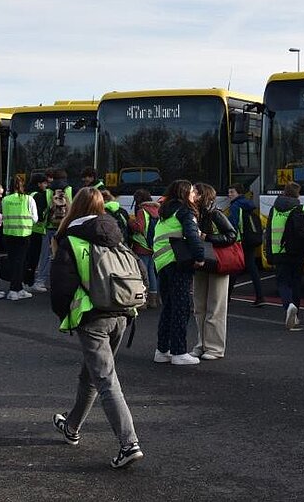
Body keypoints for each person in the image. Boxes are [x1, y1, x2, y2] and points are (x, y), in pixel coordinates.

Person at [49, 186, 144, 469]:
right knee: (90, 374)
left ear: (75, 207)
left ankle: (129, 443)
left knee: (105, 379)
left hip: (93, 317)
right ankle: (72, 427)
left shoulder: (71, 239)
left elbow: (61, 289)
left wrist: (66, 315)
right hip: (123, 313)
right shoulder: (115, 234)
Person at [152, 179, 205, 365]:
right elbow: (191, 234)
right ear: (184, 193)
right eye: (191, 191)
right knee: (181, 308)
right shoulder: (185, 211)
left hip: (161, 263)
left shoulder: (164, 212)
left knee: (168, 308)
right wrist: (200, 256)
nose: (194, 194)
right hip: (177, 262)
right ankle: (179, 352)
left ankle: (162, 350)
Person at [191, 183, 237, 360]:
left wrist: (207, 237)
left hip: (216, 263)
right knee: (200, 307)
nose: (192, 194)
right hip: (204, 261)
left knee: (215, 306)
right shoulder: (197, 213)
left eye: (195, 192)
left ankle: (215, 348)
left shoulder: (214, 213)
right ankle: (202, 344)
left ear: (202, 195)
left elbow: (231, 235)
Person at [264, 181, 304, 330]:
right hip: (297, 253)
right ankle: (295, 315)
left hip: (279, 252)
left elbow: (268, 233)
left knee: (283, 282)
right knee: (296, 282)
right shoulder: (302, 208)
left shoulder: (274, 209)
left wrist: (268, 253)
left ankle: (288, 305)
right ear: (297, 194)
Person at [0, 175, 39, 300]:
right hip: (23, 234)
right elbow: (35, 218)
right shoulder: (28, 199)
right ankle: (14, 289)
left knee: (13, 261)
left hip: (9, 233)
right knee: (20, 262)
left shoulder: (5, 199)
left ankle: (18, 288)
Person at [34, 169, 72, 292]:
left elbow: (43, 211)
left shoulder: (47, 192)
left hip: (50, 227)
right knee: (65, 256)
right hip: (65, 227)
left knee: (45, 255)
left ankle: (41, 281)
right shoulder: (71, 189)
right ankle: (62, 281)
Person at [227, 182, 264, 306]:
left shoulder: (236, 205)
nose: (229, 194)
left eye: (232, 192)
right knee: (251, 267)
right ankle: (260, 296)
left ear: (239, 193)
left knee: (234, 267)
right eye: (229, 192)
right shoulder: (248, 204)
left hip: (241, 240)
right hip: (251, 238)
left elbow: (233, 223)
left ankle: (226, 297)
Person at [128, 189, 160, 308]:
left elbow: (139, 228)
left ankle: (143, 300)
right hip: (154, 245)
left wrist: (130, 222)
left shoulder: (142, 211)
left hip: (142, 246)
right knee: (152, 272)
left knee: (143, 273)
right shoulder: (157, 209)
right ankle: (154, 300)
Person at [24, 172, 50, 291]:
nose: (46, 185)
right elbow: (39, 215)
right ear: (39, 184)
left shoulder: (28, 193)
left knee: (28, 257)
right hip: (36, 230)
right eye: (45, 183)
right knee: (33, 258)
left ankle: (25, 281)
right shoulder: (38, 196)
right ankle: (29, 283)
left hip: (27, 229)